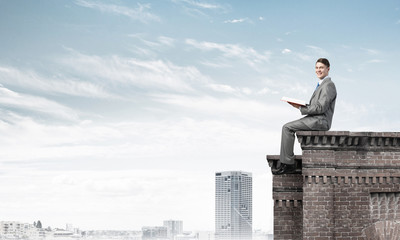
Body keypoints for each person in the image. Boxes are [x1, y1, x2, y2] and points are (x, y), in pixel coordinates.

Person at [274, 58, 337, 175]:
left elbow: (321, 108)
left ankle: (288, 164)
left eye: (321, 68)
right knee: (287, 127)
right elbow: (317, 106)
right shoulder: (321, 85)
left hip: (321, 121)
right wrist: (300, 105)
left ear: (328, 69)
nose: (318, 70)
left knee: (287, 128)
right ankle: (287, 161)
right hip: (315, 118)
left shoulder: (329, 85)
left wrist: (300, 108)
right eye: (317, 68)